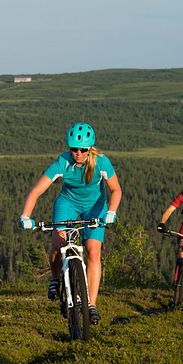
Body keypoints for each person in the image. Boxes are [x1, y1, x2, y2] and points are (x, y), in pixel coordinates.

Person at [19, 122, 122, 325]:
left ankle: (91, 304)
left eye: (82, 150)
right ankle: (56, 278)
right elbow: (36, 191)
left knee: (93, 251)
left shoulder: (101, 162)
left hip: (95, 206)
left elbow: (116, 190)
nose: (77, 153)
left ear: (90, 148)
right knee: (58, 244)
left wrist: (111, 212)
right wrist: (26, 215)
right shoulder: (62, 162)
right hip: (67, 204)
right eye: (73, 149)